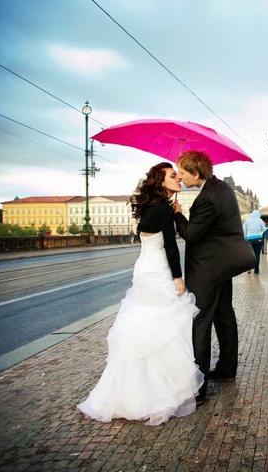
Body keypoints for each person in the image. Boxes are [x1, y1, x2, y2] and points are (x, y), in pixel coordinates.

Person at [78, 162, 204, 425]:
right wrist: (178, 278)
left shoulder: (152, 206)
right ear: (160, 181)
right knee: (162, 327)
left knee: (144, 326)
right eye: (173, 176)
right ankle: (158, 392)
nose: (179, 179)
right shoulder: (163, 209)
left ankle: (134, 392)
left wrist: (175, 213)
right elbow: (170, 246)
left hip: (144, 269)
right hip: (158, 271)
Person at [172, 151, 255, 401]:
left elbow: (191, 234)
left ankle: (198, 388)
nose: (180, 177)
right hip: (222, 266)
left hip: (207, 269)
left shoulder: (206, 198)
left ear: (195, 173)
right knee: (224, 315)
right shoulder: (222, 189)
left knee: (201, 321)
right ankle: (227, 368)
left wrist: (177, 214)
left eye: (183, 172)